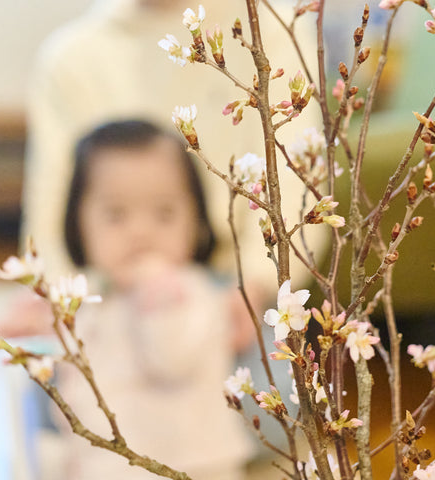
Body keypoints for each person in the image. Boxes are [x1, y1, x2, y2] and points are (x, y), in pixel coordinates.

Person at [22, 0, 327, 289]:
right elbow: (48, 224)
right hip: (102, 291)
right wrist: (58, 300)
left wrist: (252, 288)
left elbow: (296, 183)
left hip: (236, 287)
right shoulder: (71, 57)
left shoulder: (269, 29)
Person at [41, 119, 253, 479]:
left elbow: (171, 359)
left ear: (197, 220)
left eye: (164, 213)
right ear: (78, 224)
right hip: (111, 463)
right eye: (116, 215)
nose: (140, 232)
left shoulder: (189, 293)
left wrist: (155, 293)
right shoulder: (92, 295)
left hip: (192, 463)